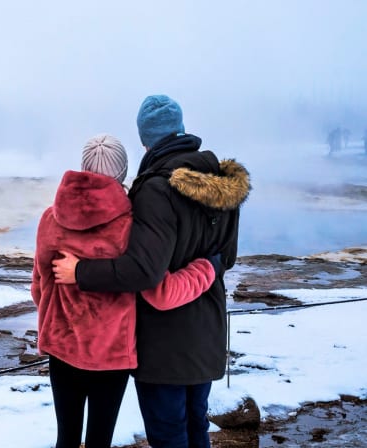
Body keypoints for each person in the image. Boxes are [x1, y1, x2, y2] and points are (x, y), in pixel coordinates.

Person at [52, 95, 250, 448]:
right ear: (182, 129)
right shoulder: (223, 182)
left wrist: (81, 271)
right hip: (207, 333)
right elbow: (226, 258)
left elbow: (143, 271)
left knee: (170, 434)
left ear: (145, 140)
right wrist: (206, 269)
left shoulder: (156, 189)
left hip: (164, 343)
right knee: (195, 425)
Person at [33, 133, 217, 448]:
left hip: (61, 344)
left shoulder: (51, 217)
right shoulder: (129, 224)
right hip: (110, 353)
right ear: (122, 173)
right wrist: (207, 268)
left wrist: (55, 318)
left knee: (66, 437)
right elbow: (147, 282)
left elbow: (40, 284)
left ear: (83, 167)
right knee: (100, 440)